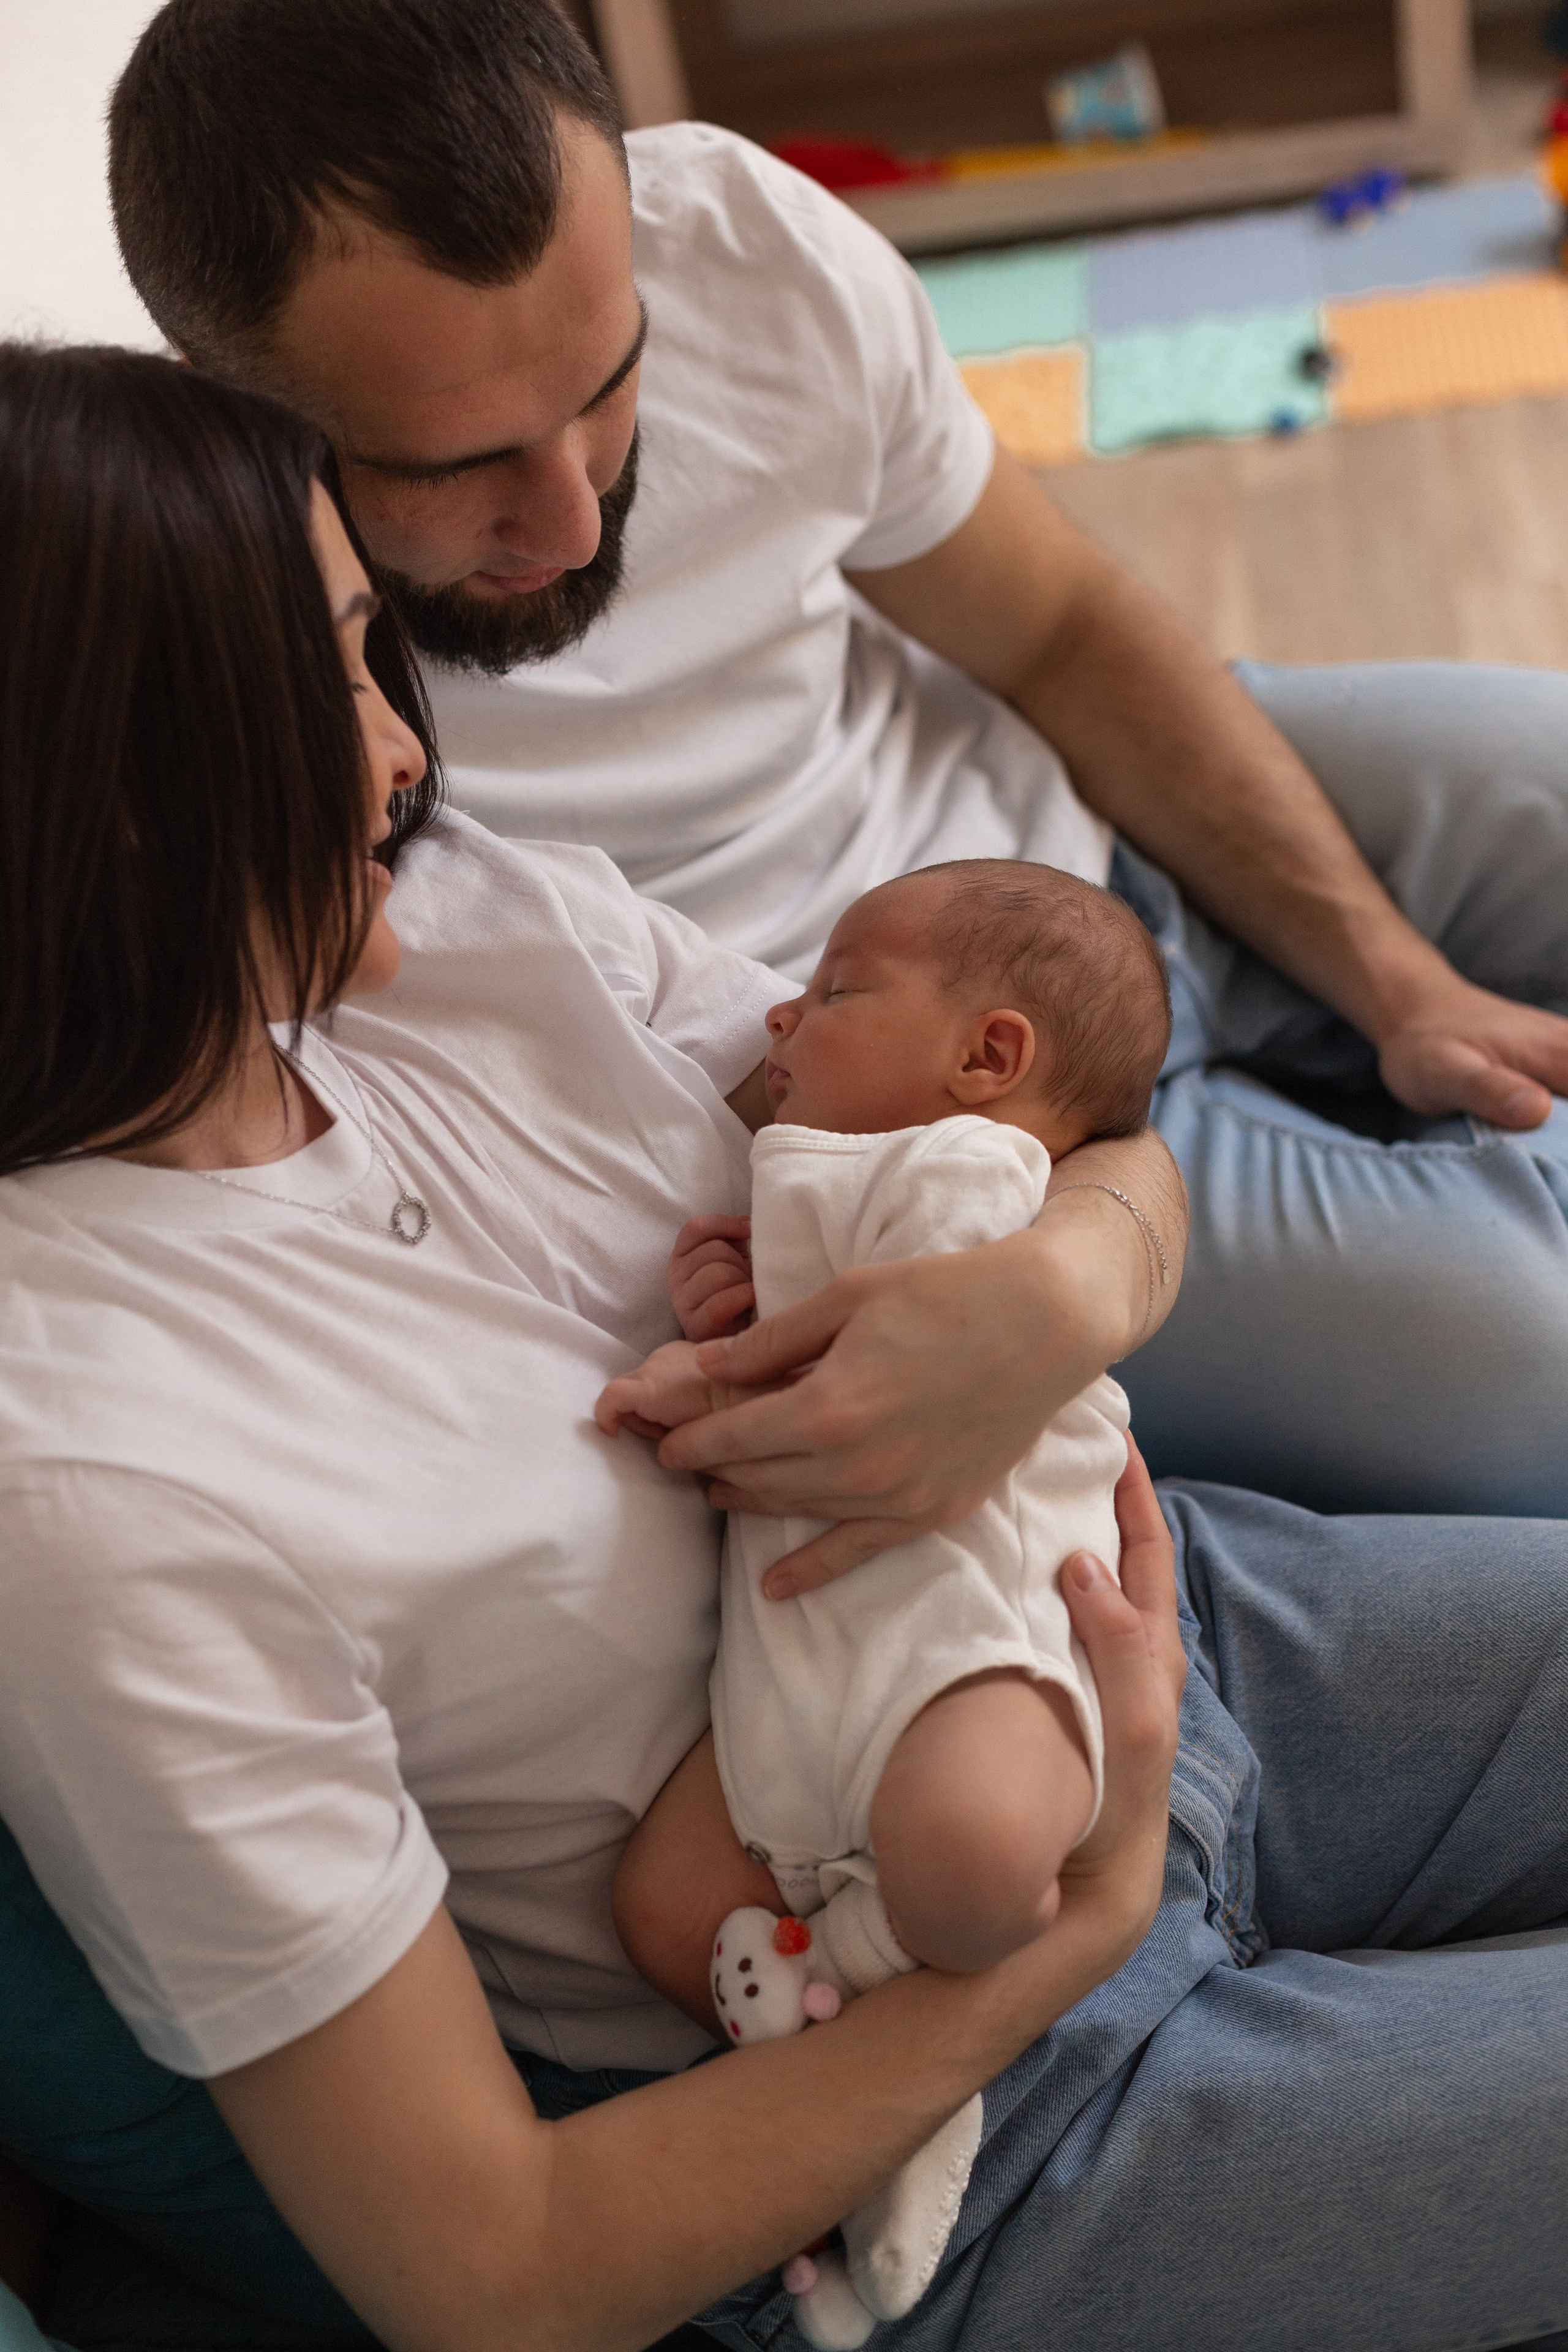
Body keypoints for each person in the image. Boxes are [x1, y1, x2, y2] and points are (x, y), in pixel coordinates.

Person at [1, 345, 1567, 2352]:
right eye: (321, 681)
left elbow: (1073, 1120)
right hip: (952, 2115)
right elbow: (490, 2275)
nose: (401, 751)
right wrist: (1050, 1952)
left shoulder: (466, 927)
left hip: (1177, 1634)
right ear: (115, 797)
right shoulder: (91, 1485)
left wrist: (1067, 1287)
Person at [104, 0, 1568, 1520]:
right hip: (910, 1132)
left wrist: (1398, 983)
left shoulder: (739, 235)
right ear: (233, 415)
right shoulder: (203, 665)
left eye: (610, 392)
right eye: (457, 468)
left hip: (1074, 833)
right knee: (1538, 1374)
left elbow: (1057, 628)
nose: (575, 525)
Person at [598, 861, 1173, 2345]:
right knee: (662, 1899)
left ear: (985, 1061)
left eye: (837, 993)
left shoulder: (963, 1172)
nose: (785, 1011)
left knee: (976, 1851)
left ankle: (850, 1972)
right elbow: (829, 1324)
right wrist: (741, 1296)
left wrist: (707, 1365)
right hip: (796, 1667)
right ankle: (872, 2056)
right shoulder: (849, 1165)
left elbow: (878, 1354)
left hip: (961, 1637)